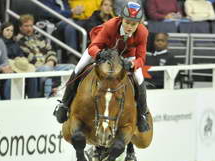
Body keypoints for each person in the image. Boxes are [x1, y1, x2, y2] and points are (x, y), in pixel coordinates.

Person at [54, 1, 150, 132]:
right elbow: (94, 45)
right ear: (121, 19)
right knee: (79, 67)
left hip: (128, 56)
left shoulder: (143, 32)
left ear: (139, 23)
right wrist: (99, 54)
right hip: (104, 50)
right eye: (127, 22)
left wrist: (132, 64)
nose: (129, 27)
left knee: (139, 79)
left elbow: (141, 58)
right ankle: (64, 104)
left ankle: (142, 114)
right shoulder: (111, 25)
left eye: (133, 24)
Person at [15, 14, 74, 98]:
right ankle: (47, 97)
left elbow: (51, 51)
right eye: (26, 26)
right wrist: (46, 64)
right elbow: (28, 58)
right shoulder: (18, 41)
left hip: (49, 65)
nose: (29, 28)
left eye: (31, 25)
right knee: (47, 69)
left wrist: (51, 61)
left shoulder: (39, 38)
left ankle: (65, 95)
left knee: (71, 67)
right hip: (35, 68)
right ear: (20, 27)